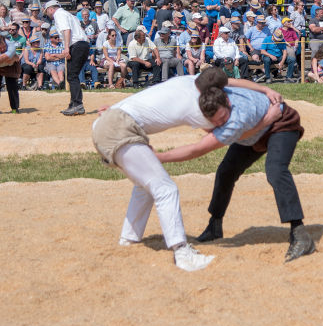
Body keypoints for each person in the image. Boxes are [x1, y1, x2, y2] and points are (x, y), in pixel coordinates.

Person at [91, 73, 282, 272]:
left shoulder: (190, 80)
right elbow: (219, 139)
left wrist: (265, 90)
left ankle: (128, 239)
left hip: (106, 122)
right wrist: (266, 118)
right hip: (119, 130)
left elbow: (229, 82)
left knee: (145, 185)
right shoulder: (201, 109)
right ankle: (182, 252)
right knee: (166, 189)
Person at [157, 68, 315, 263]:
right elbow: (232, 82)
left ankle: (300, 234)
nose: (222, 122)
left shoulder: (237, 117)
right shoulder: (206, 90)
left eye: (224, 119)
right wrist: (265, 90)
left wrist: (160, 157)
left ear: (227, 102)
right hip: (256, 128)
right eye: (217, 122)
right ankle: (214, 225)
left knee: (275, 171)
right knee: (226, 171)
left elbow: (197, 150)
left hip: (280, 124)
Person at [42, 0, 90, 116]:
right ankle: (74, 103)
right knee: (71, 76)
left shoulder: (59, 14)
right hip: (82, 44)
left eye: (47, 12)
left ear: (51, 9)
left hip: (76, 45)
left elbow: (66, 30)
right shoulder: (68, 14)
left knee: (72, 76)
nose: (47, 14)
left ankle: (78, 105)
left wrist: (66, 48)